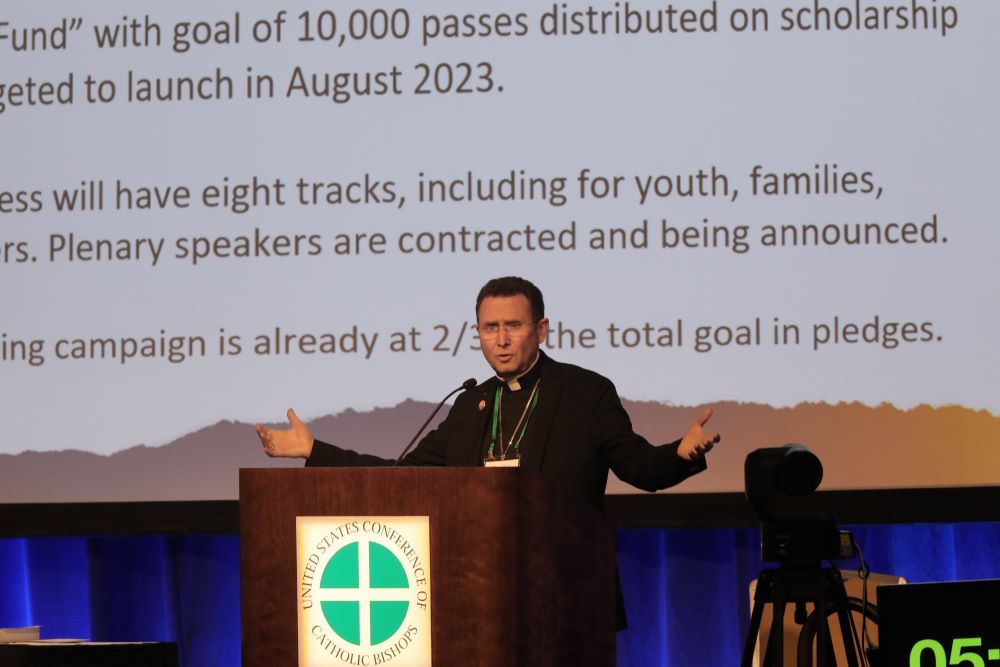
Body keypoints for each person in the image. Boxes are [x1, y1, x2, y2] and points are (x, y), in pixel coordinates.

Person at [256, 276, 719, 513]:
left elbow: (638, 468)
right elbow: (401, 477)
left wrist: (680, 453)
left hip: (568, 592)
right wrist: (314, 451)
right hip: (477, 587)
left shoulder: (584, 392)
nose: (500, 340)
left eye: (513, 326)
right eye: (489, 328)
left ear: (540, 329)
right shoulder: (470, 406)